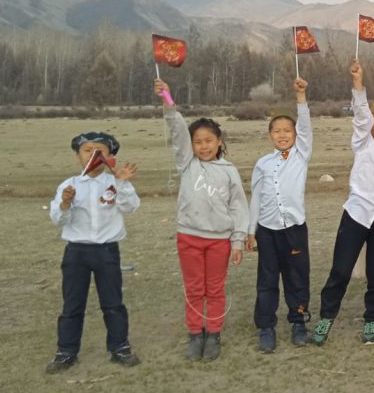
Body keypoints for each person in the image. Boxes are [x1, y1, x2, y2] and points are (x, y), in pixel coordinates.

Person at [312, 61, 374, 346]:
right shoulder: (363, 143)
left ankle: (371, 320)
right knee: (341, 269)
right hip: (357, 214)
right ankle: (326, 317)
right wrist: (358, 83)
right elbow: (361, 116)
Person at [155, 79, 249, 361]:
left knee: (215, 289)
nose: (204, 146)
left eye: (209, 141)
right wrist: (167, 98)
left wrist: (237, 241)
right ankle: (196, 334)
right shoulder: (187, 164)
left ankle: (214, 334)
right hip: (189, 238)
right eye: (198, 142)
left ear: (219, 141)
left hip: (219, 241)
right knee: (195, 289)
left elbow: (239, 207)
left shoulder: (229, 171)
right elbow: (177, 130)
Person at [46, 131, 141, 372]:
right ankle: (66, 351)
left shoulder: (114, 182)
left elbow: (131, 207)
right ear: (77, 155)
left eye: (100, 152)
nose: (93, 156)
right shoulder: (69, 185)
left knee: (113, 303)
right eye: (87, 151)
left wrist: (123, 183)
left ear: (109, 157)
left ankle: (119, 347)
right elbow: (57, 219)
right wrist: (65, 203)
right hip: (76, 252)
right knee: (72, 304)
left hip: (107, 251)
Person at [247, 78, 313, 353]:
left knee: (297, 277)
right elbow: (256, 199)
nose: (283, 135)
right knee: (267, 279)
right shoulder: (262, 164)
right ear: (270, 134)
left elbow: (306, 126)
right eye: (277, 131)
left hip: (294, 229)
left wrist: (301, 97)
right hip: (267, 230)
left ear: (295, 134)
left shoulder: (301, 156)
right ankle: (266, 327)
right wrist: (251, 231)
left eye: (288, 130)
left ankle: (299, 321)